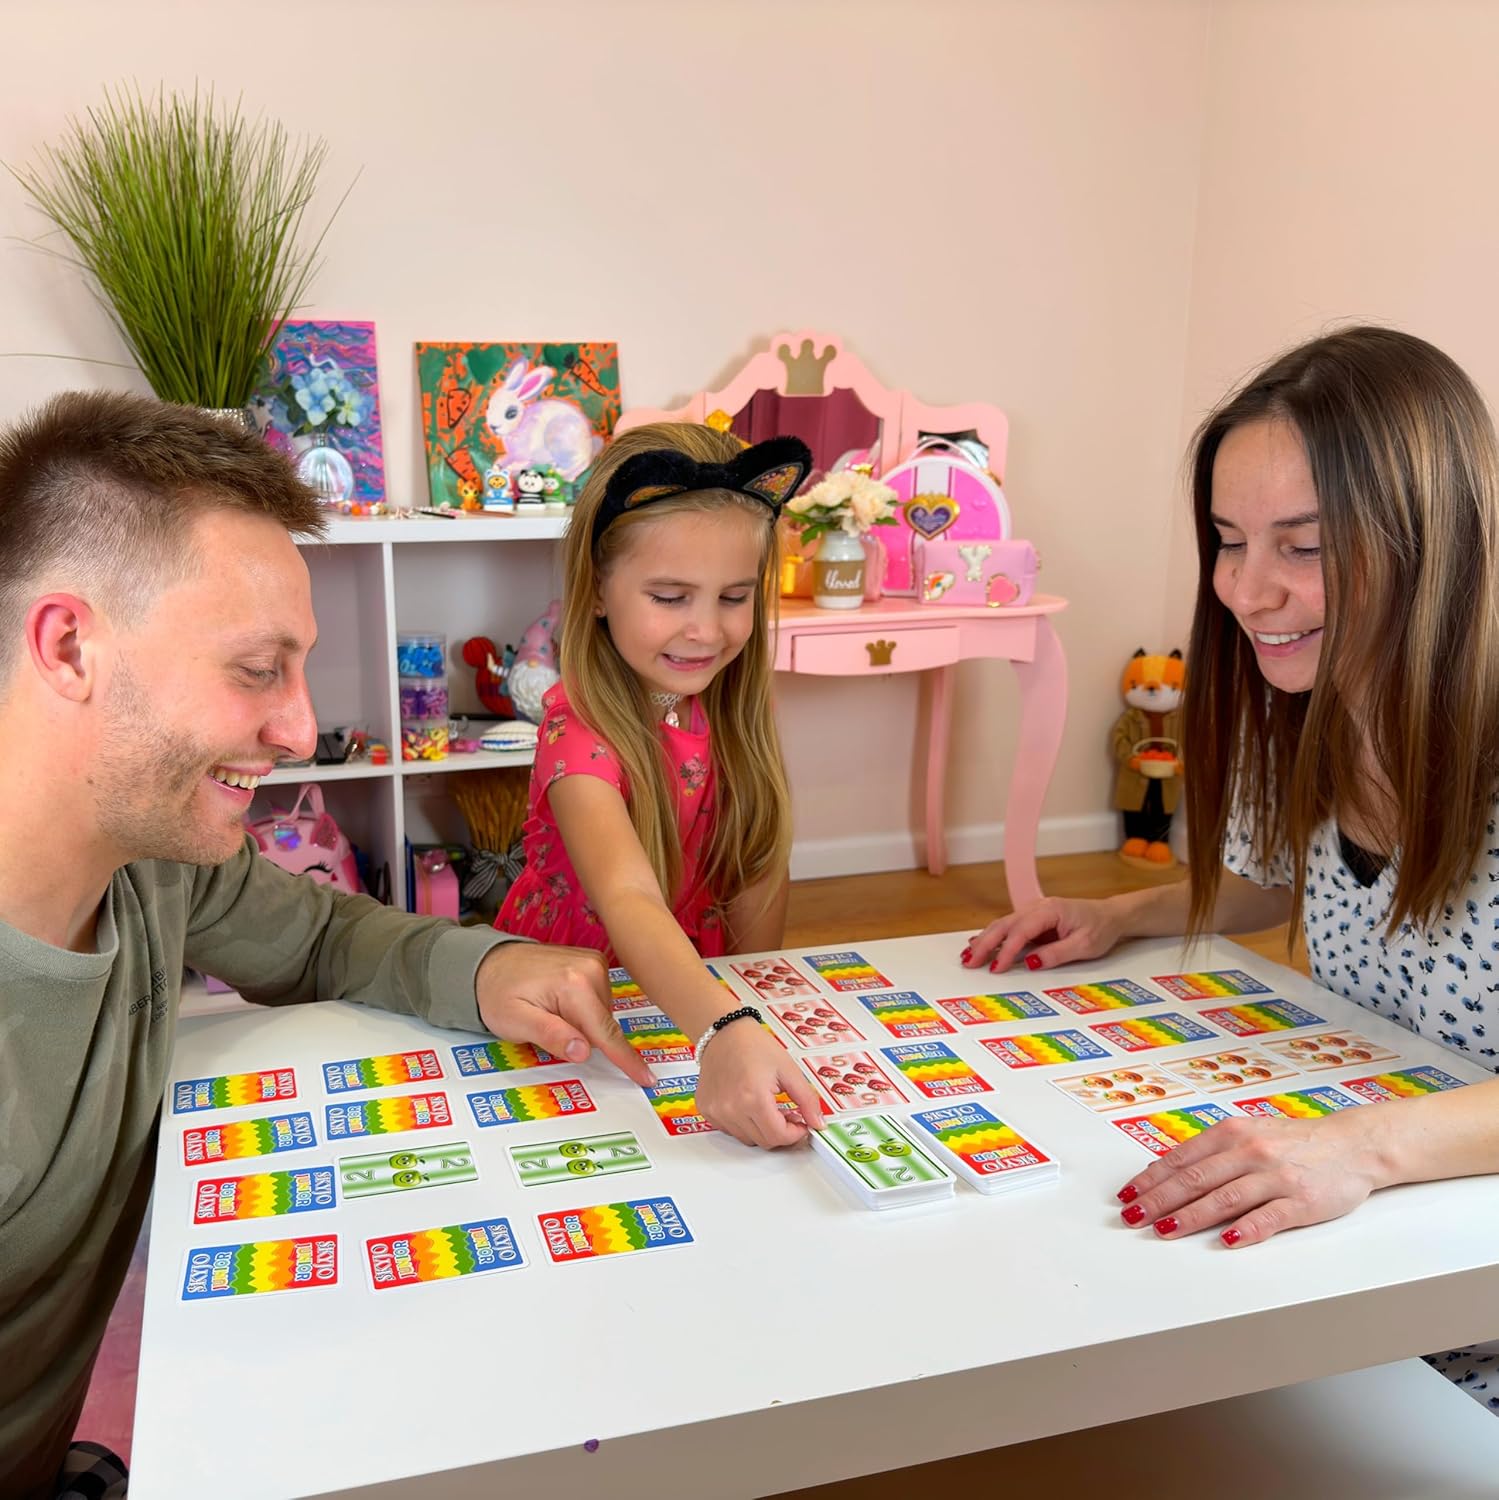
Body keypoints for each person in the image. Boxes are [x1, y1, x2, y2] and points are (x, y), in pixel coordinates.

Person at [0, 391, 654, 1500]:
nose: (303, 729)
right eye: (257, 670)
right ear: (69, 646)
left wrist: (489, 965)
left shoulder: (156, 856)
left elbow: (319, 932)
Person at [966, 325, 1499, 1411]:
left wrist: (1361, 1149)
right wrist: (1127, 913)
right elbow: (1280, 875)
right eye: (1226, 540)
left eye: (1301, 548)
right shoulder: (1305, 702)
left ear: (1431, 538)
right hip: (1365, 1267)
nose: (1245, 593)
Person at [496, 422, 825, 1148]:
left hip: (697, 1003)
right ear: (598, 591)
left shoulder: (731, 708)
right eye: (671, 596)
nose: (705, 631)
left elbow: (757, 866)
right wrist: (722, 1029)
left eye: (734, 597)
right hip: (578, 1009)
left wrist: (745, 1007)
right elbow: (629, 898)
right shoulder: (574, 725)